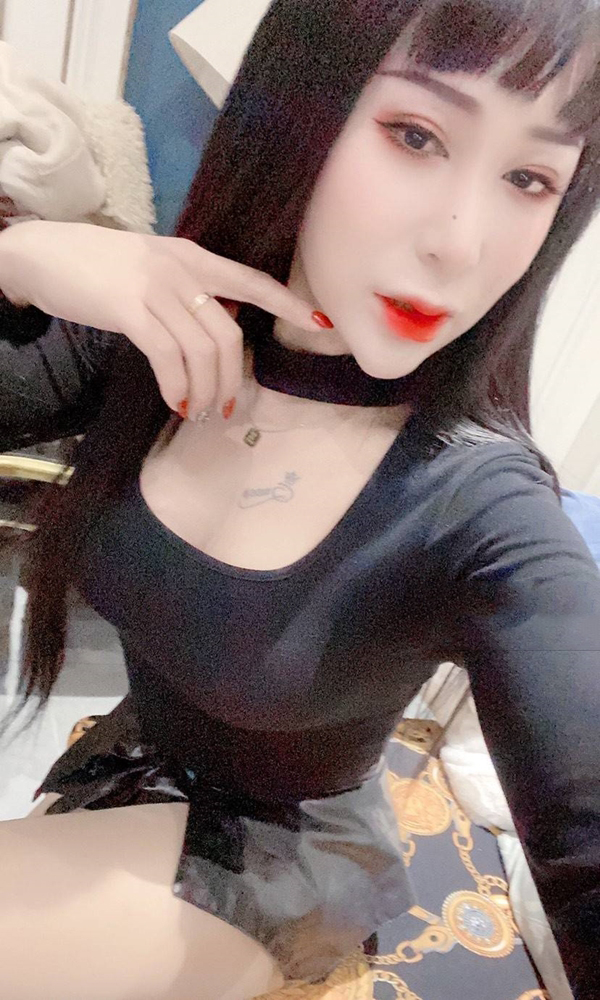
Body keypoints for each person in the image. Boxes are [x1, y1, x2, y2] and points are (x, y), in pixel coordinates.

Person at [0, 0, 599, 997]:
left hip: (286, 861)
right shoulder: (164, 339)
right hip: (135, 773)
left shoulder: (480, 503)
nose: (460, 244)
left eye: (529, 178)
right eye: (416, 135)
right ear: (302, 110)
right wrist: (19, 259)